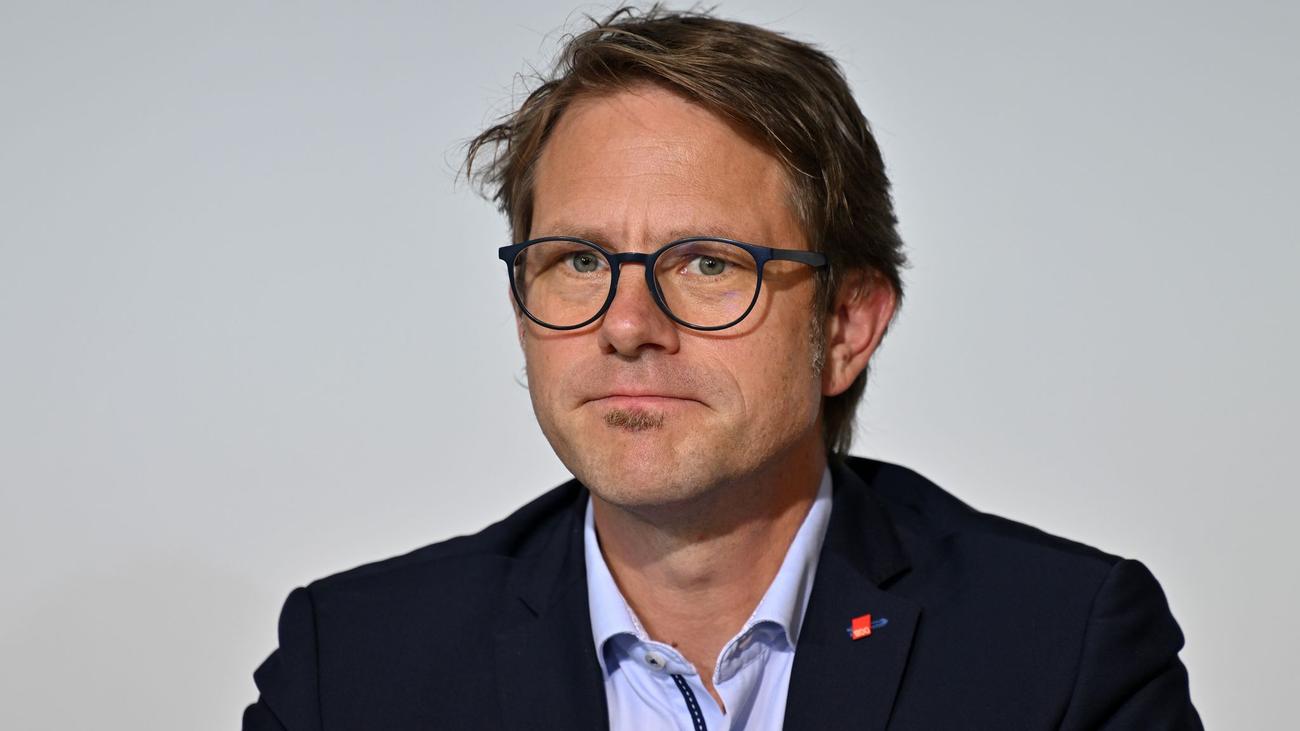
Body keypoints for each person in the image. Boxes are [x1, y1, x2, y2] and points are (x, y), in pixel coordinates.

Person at [243, 6, 1201, 730]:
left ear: (846, 326)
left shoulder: (1062, 652)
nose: (627, 324)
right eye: (578, 261)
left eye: (707, 264)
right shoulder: (352, 667)